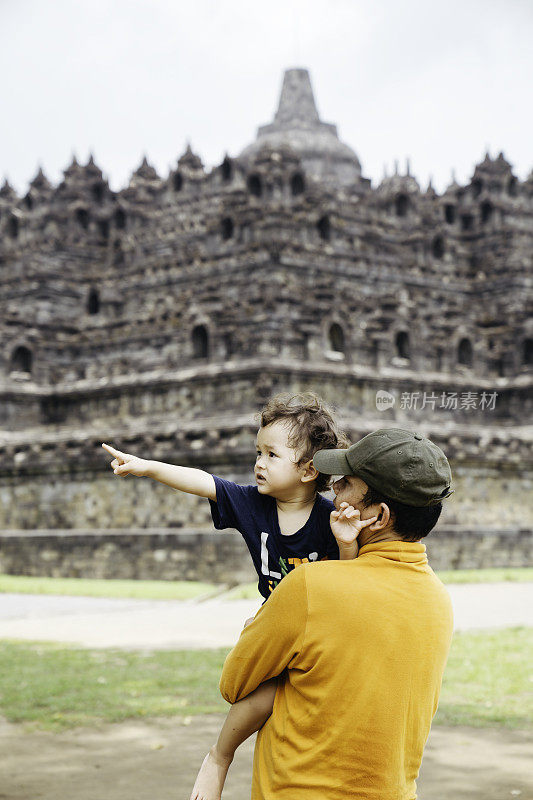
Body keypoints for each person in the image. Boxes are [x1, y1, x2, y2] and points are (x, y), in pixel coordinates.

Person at [101, 393, 377, 800]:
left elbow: (349, 582)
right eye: (258, 452)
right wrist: (147, 468)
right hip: (276, 625)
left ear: (307, 470)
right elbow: (202, 481)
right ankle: (219, 757)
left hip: (323, 631)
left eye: (271, 454)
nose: (259, 463)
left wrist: (347, 542)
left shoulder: (328, 518)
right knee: (258, 696)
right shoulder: (252, 504)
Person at [219, 428, 455, 800]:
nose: (333, 489)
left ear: (378, 516)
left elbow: (234, 684)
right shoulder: (438, 601)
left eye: (347, 484)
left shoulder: (309, 587)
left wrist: (254, 628)